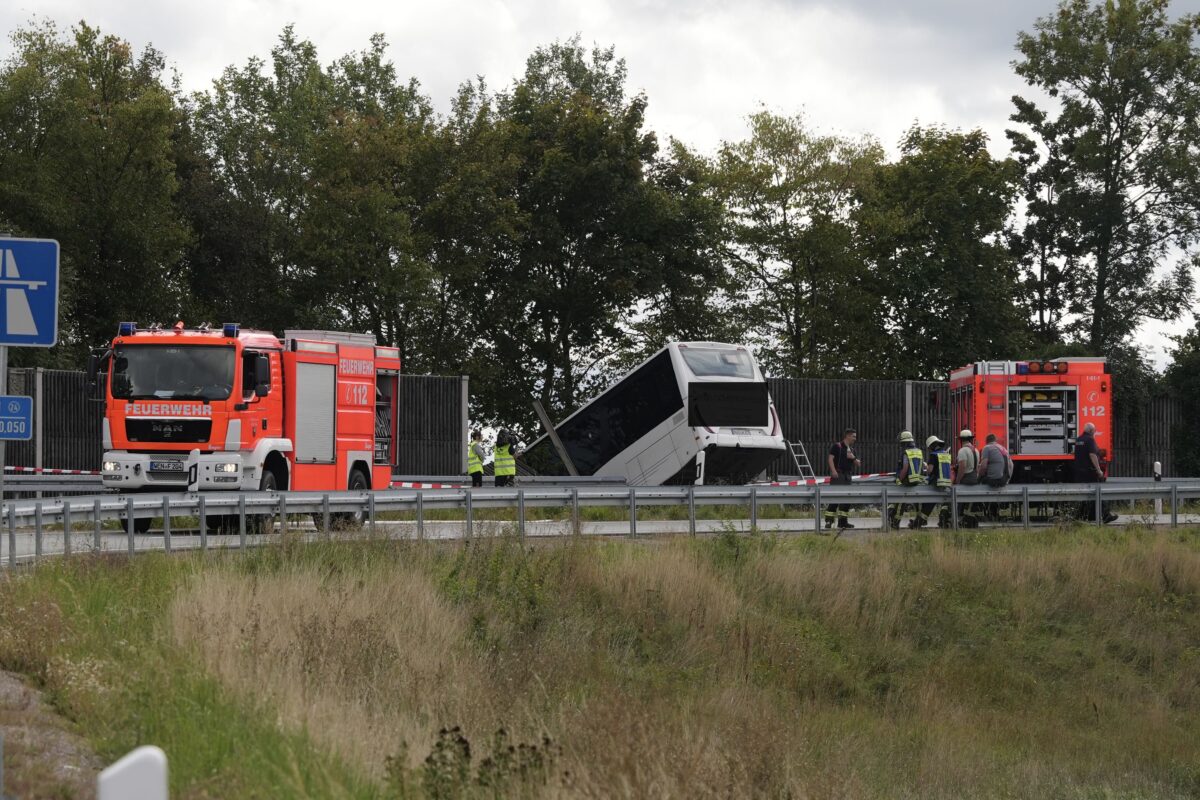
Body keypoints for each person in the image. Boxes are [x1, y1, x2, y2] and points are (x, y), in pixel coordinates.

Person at [1072, 422, 1117, 524]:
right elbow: (1092, 455)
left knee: (1083, 496)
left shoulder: (1078, 440)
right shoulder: (1090, 440)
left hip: (1079, 473)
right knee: (1098, 492)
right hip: (1089, 473)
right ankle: (1106, 516)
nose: (1095, 432)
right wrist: (1098, 470)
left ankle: (1082, 516)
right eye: (1094, 431)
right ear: (1092, 431)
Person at [888, 431, 926, 530]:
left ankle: (895, 523)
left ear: (904, 443)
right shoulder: (919, 451)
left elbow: (905, 468)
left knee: (900, 500)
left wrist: (899, 480)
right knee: (913, 502)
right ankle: (918, 522)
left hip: (907, 481)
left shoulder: (906, 453)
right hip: (918, 481)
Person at [824, 428, 860, 530]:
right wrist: (834, 471)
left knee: (846, 499)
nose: (855, 439)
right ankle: (829, 521)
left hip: (847, 476)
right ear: (847, 436)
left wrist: (853, 458)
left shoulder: (852, 450)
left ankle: (843, 522)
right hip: (838, 475)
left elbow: (858, 463)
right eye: (853, 436)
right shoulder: (837, 446)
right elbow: (830, 459)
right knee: (835, 498)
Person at [921, 435, 953, 528]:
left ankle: (921, 520)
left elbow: (930, 470)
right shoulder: (946, 454)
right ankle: (944, 520)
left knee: (928, 501)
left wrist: (926, 467)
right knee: (944, 503)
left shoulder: (933, 455)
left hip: (936, 482)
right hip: (947, 483)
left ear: (931, 446)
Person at [954, 429, 980, 528]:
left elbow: (962, 467)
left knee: (958, 500)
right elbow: (977, 467)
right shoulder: (976, 450)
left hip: (966, 478)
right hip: (974, 478)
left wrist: (957, 480)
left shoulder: (962, 451)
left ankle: (957, 518)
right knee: (970, 501)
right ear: (970, 439)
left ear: (961, 440)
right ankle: (968, 520)